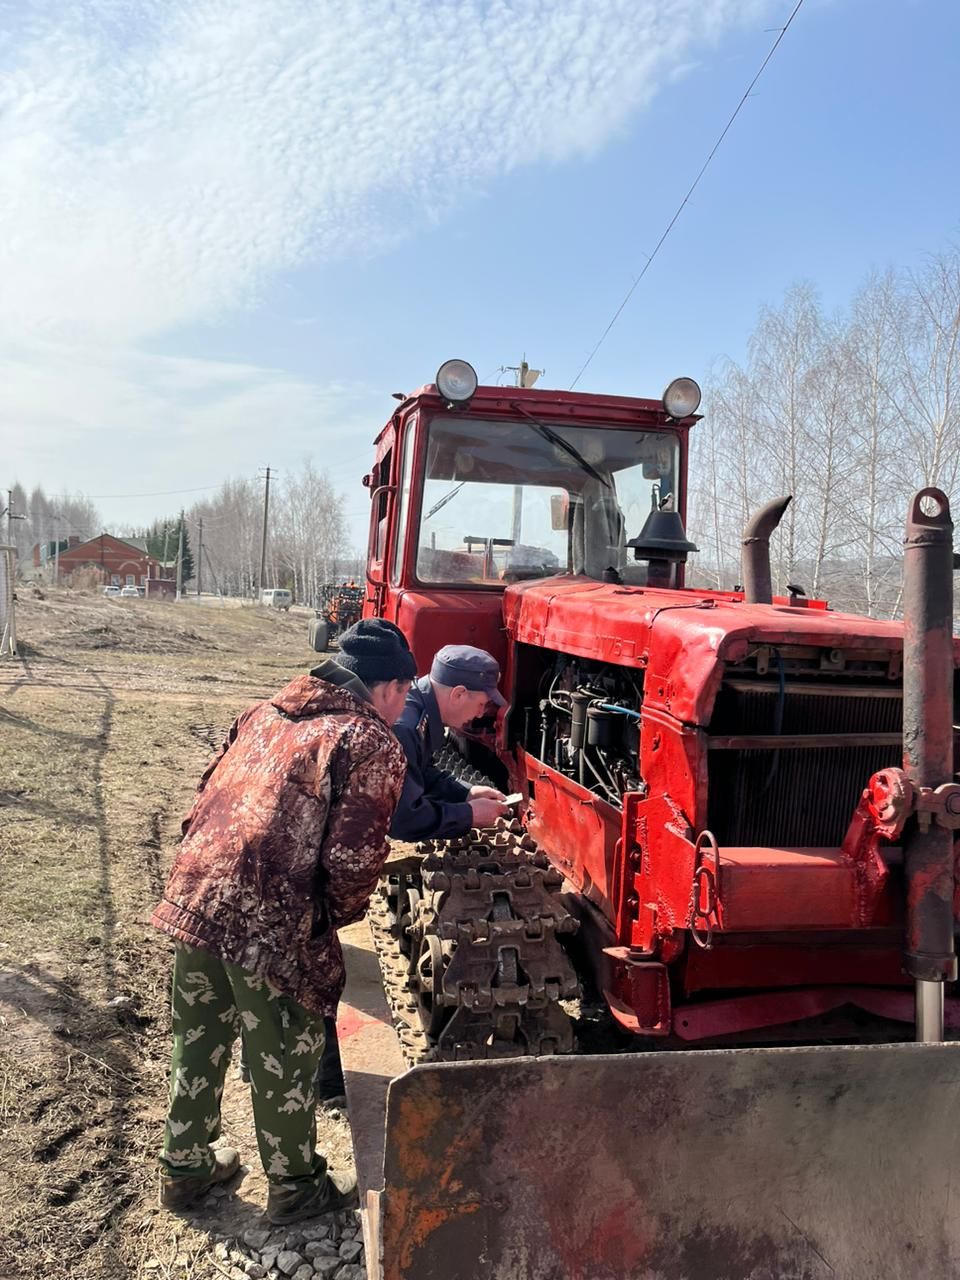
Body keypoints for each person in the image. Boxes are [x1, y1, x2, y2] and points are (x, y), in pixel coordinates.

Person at [151, 618, 416, 1224]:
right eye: (404, 691)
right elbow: (351, 863)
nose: (404, 705)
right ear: (391, 687)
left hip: (196, 897)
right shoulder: (369, 741)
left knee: (199, 1040)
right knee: (284, 1054)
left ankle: (184, 1170)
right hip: (271, 920)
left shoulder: (264, 712)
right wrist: (326, 923)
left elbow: (205, 793)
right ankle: (296, 1188)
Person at [316, 644, 511, 1108]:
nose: (485, 712)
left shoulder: (424, 716)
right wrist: (467, 815)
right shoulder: (406, 724)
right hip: (316, 871)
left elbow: (422, 775)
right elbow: (406, 817)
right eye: (483, 702)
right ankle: (327, 1083)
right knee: (316, 970)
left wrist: (466, 791)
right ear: (459, 692)